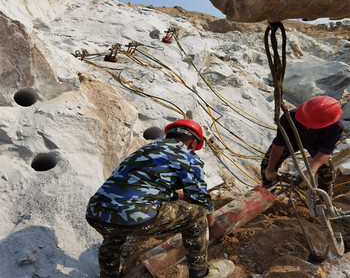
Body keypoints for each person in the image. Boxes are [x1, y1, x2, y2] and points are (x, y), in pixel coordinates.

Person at [86, 118, 235, 278]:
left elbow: (140, 185)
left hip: (96, 212)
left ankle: (109, 275)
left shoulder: (145, 151)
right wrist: (212, 225)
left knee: (114, 234)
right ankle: (201, 274)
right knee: (197, 214)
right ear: (192, 143)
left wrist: (178, 195)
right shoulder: (188, 156)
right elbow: (199, 196)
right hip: (135, 216)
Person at [261, 96, 343, 196]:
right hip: (292, 140)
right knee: (267, 162)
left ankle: (323, 199)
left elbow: (324, 152)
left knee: (327, 173)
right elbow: (279, 144)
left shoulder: (335, 127)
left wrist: (310, 172)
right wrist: (270, 168)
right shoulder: (289, 117)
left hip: (316, 145)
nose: (308, 126)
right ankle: (267, 192)